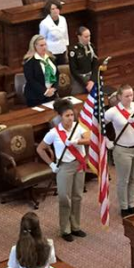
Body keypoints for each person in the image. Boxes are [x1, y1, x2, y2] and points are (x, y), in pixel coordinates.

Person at [37, 99, 89, 241]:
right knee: (64, 198)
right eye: (67, 115)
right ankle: (65, 229)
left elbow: (89, 139)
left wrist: (77, 141)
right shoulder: (54, 133)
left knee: (77, 196)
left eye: (72, 115)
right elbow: (40, 148)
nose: (70, 118)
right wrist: (51, 164)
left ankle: (75, 226)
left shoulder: (79, 128)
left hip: (78, 165)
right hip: (64, 167)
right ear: (60, 117)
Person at [105, 84, 134, 217]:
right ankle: (124, 206)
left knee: (133, 178)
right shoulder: (113, 112)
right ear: (119, 97)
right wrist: (106, 140)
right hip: (122, 150)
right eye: (126, 96)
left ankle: (131, 204)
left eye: (131, 95)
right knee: (123, 180)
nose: (129, 98)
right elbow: (98, 125)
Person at [23, 34, 57, 107]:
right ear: (35, 46)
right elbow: (31, 80)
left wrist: (54, 89)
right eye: (41, 45)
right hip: (36, 97)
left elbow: (57, 74)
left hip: (51, 94)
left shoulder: (50, 58)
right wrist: (45, 91)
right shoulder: (29, 62)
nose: (44, 47)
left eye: (45, 45)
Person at [68, 26, 100, 93]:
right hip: (79, 80)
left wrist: (92, 80)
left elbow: (95, 64)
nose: (88, 39)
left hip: (91, 77)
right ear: (79, 37)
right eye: (86, 37)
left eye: (89, 36)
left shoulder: (91, 47)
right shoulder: (74, 51)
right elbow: (73, 70)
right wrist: (85, 84)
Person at [39, 0, 69, 69]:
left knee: (63, 73)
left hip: (62, 51)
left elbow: (65, 36)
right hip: (51, 53)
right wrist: (46, 53)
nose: (55, 10)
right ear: (49, 10)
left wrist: (66, 51)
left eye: (57, 8)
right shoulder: (44, 23)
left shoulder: (63, 19)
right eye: (53, 9)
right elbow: (41, 40)